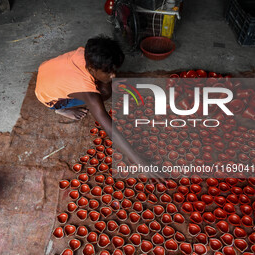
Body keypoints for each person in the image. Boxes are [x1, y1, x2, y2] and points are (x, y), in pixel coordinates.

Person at [35, 35, 161, 180]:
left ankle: (94, 82)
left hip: (47, 70)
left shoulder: (86, 53)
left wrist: (107, 78)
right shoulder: (86, 91)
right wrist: (140, 162)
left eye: (114, 69)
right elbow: (109, 128)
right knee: (103, 94)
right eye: (109, 72)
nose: (114, 74)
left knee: (107, 89)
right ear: (91, 69)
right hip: (48, 96)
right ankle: (61, 109)